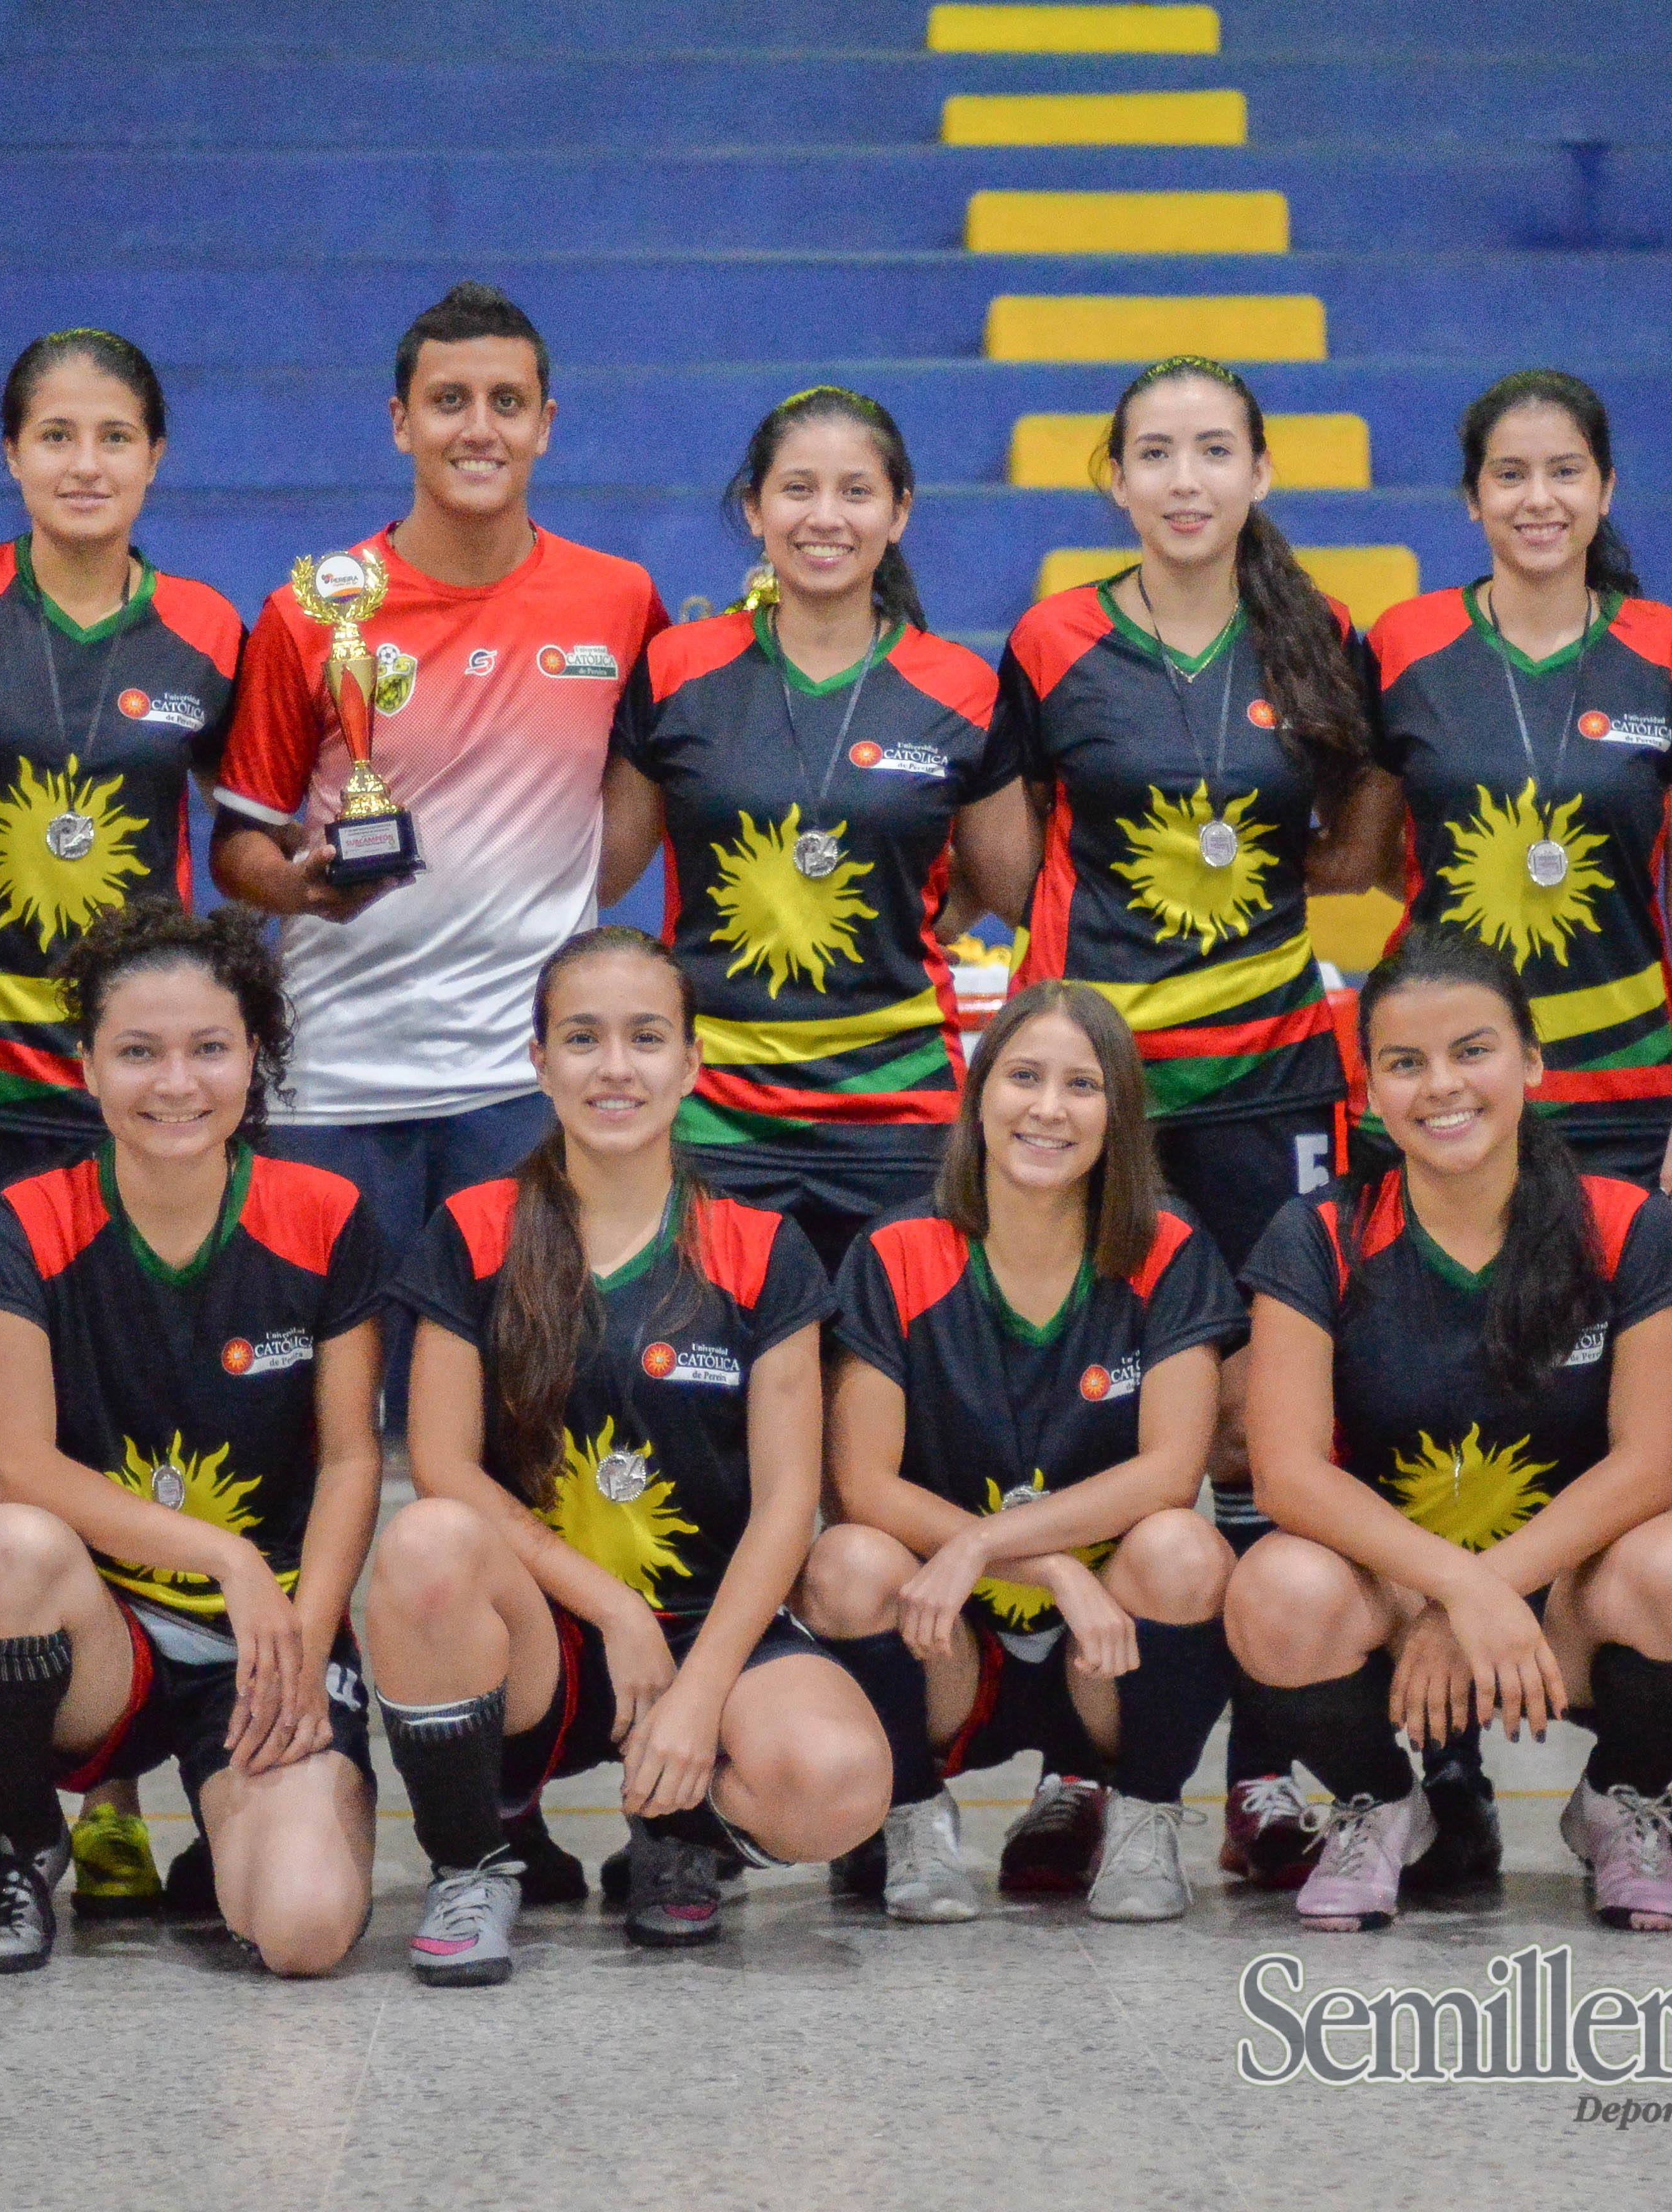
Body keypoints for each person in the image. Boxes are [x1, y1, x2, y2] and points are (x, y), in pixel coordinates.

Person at [994, 354, 1390, 1891]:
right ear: (1111, 478)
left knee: (1248, 1422)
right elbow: (1005, 848)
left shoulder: (1317, 631)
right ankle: (1079, 1771)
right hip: (1108, 1099)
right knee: (1096, 1413)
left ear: (1258, 472)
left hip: (1280, 1086)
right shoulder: (1052, 638)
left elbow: (1358, 828)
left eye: (1210, 449)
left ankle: (1262, 1778)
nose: (1181, 478)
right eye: (1152, 452)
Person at [0, 328, 246, 1920]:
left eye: (114, 435)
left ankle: (136, 1788)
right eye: (54, 435)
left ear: (155, 456)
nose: (85, 461)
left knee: (129, 1430)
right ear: (9, 455)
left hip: (134, 1111)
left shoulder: (213, 627)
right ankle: (19, 1798)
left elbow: (236, 834)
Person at [360, 928, 887, 1983]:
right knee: (425, 1541)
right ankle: (480, 1853)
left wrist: (697, 1690)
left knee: (837, 1781)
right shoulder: (470, 1232)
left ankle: (681, 1828)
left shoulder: (760, 1247)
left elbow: (789, 1503)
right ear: (539, 1060)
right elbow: (445, 1465)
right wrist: (612, 1606)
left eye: (646, 1037)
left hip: (707, 1626)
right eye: (583, 1037)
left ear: (692, 1062)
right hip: (543, 1631)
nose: (615, 1067)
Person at [1225, 928, 1672, 1935]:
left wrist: (1495, 1585)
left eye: (1472, 1050)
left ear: (1531, 1061)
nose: (1441, 1087)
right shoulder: (1317, 1235)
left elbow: (1649, 1466)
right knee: (1272, 1588)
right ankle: (1384, 1805)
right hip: (1391, 1597)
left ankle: (1618, 1803)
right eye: (1404, 1062)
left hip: (1564, 1599)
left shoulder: (1626, 1225)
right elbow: (1288, 1476)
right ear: (1367, 1086)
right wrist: (1449, 1590)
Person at [209, 283, 666, 1411]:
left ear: (546, 423)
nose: (479, 427)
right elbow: (237, 847)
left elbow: (631, 802)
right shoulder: (314, 606)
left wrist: (549, 898)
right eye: (449, 400)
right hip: (333, 1074)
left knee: (517, 1405)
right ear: (400, 421)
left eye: (506, 402)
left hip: (519, 1082)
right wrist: (306, 893)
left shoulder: (619, 600)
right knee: (313, 1411)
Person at [0, 902, 386, 1978]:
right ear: (87, 1065)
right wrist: (224, 1554)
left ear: (256, 1058)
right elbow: (23, 1467)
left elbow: (353, 1456)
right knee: (4, 1547)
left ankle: (231, 1847)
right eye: (138, 1051)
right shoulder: (23, 1220)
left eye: (209, 1048)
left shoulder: (328, 1211)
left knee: (307, 1928)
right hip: (106, 1639)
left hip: (264, 1637)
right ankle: (26, 1836)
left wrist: (309, 1637)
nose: (174, 1082)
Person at [797, 980, 1247, 1923]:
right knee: (842, 1563)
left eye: (1081, 1085)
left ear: (1117, 1112)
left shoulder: (1166, 1246)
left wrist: (993, 1546)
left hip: (1106, 1642)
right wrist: (1032, 1560)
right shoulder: (896, 1252)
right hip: (951, 1636)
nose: (1048, 1108)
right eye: (1024, 1077)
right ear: (979, 1095)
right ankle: (911, 1818)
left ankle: (1143, 1815)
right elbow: (862, 1484)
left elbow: (1172, 1471)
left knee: (1183, 1548)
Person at [598, 385, 1034, 1278]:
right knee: (712, 1392)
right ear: (754, 509)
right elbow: (600, 869)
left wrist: (927, 916)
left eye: (856, 491)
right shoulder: (678, 669)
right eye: (796, 489)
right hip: (710, 1112)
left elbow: (1014, 883)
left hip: (898, 1115)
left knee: (883, 1402)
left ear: (899, 511)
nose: (824, 517)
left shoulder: (960, 687)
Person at [1364, 370, 1672, 1215]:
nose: (1538, 499)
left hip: (1629, 1083)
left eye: (1564, 472)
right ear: (1471, 497)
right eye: (1508, 474)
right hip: (1444, 1085)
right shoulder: (1402, 645)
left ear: (1605, 489)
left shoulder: (1669, 651)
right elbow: (1374, 847)